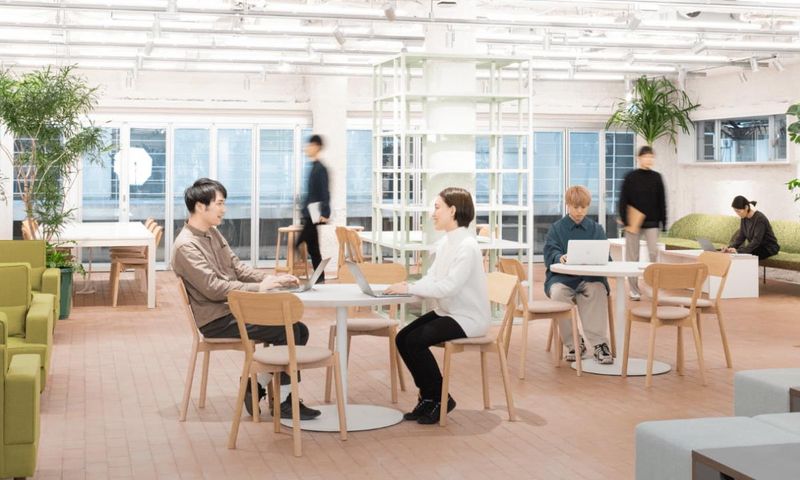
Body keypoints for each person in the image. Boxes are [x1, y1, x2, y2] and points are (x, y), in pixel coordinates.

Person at [172, 178, 321, 420]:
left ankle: (257, 383)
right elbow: (214, 289)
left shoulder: (212, 233)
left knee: (297, 329)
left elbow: (238, 268)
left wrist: (272, 279)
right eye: (219, 203)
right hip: (217, 320)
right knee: (292, 331)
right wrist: (259, 288)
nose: (224, 209)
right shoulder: (186, 246)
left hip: (234, 310)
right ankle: (284, 402)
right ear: (200, 206)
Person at [384, 187, 489, 424]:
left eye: (437, 207)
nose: (433, 213)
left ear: (452, 210)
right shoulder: (445, 243)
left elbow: (448, 287)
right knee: (403, 338)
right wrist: (408, 287)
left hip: (469, 318)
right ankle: (429, 397)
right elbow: (432, 278)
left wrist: (409, 289)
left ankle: (440, 398)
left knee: (415, 341)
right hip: (449, 312)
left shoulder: (467, 246)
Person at [543, 185, 613, 365]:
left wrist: (601, 257)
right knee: (558, 293)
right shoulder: (556, 228)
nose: (580, 211)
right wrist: (559, 257)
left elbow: (606, 257)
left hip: (591, 279)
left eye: (584, 207)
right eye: (575, 207)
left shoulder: (596, 229)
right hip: (563, 280)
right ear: (567, 205)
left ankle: (599, 344)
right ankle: (574, 343)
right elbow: (550, 252)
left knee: (597, 290)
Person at [618, 145, 667, 301]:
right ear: (639, 158)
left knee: (653, 254)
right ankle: (634, 290)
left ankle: (653, 287)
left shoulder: (657, 177)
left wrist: (664, 222)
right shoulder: (630, 177)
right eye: (646, 156)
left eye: (651, 156)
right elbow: (623, 199)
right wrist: (625, 219)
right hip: (633, 222)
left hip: (652, 222)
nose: (649, 159)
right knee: (632, 257)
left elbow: (662, 201)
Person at [297, 134, 330, 283]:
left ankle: (319, 277)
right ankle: (320, 277)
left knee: (303, 243)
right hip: (309, 213)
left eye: (310, 146)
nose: (307, 148)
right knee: (313, 247)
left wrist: (326, 212)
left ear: (316, 147)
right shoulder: (314, 167)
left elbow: (325, 192)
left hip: (314, 214)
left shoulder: (320, 169)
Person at [725, 195, 780, 260]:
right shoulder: (744, 217)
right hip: (757, 246)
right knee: (736, 253)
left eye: (738, 211)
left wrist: (738, 251)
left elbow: (756, 241)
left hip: (768, 248)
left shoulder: (759, 219)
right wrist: (729, 248)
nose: (737, 214)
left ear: (746, 207)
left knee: (744, 255)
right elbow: (741, 237)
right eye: (735, 211)